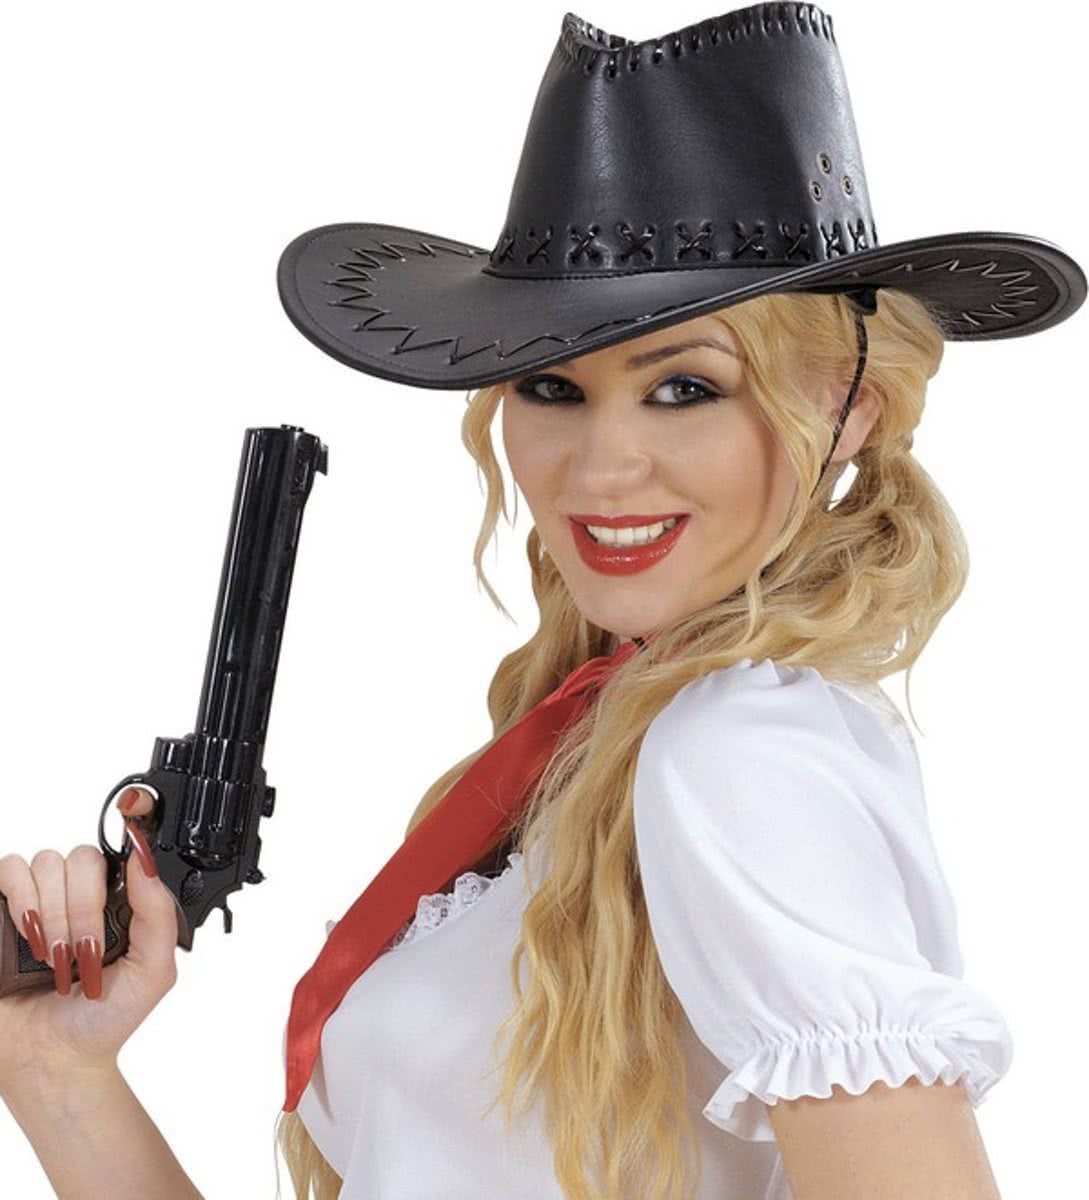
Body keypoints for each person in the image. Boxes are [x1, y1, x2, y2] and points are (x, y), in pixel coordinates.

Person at [0, 5, 1084, 1200]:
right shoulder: (605, 747)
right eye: (554, 386)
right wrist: (54, 1070)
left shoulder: (740, 750)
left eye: (684, 387)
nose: (600, 470)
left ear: (847, 410)